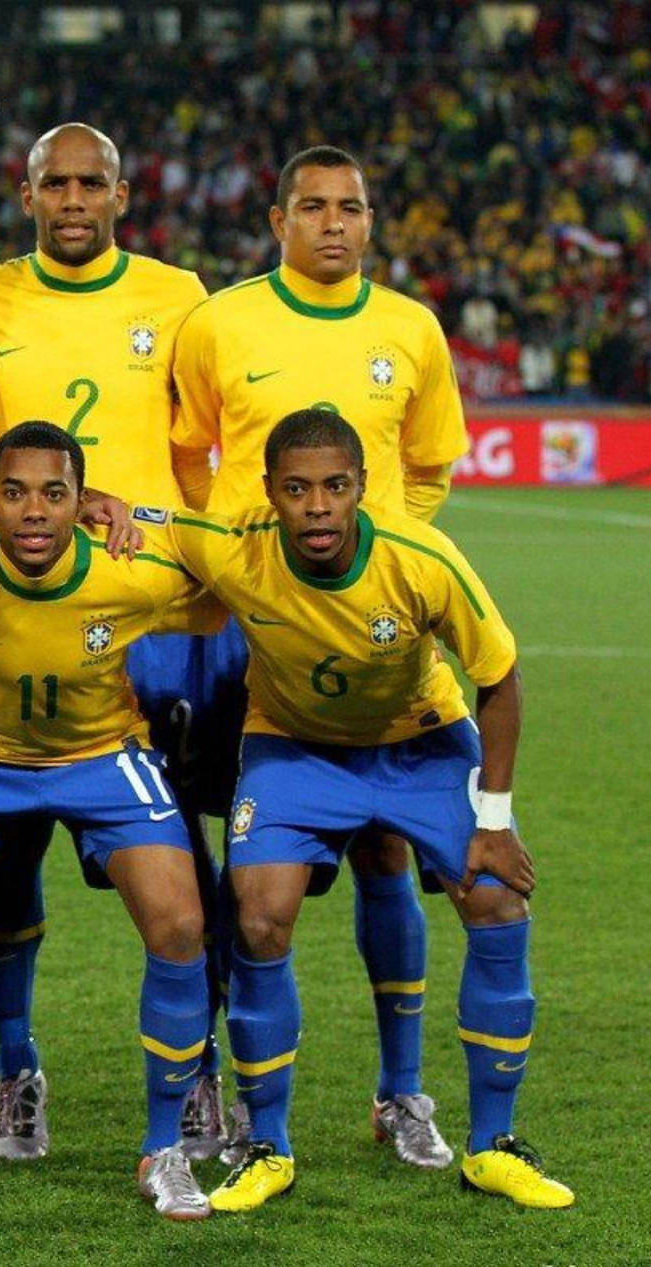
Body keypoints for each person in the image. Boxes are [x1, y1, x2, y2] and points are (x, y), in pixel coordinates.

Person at [157, 410, 570, 1213]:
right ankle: (267, 1144)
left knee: (496, 899)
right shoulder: (229, 544)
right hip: (294, 750)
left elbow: (501, 676)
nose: (318, 506)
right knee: (261, 915)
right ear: (269, 492)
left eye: (335, 487)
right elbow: (122, 516)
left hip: (417, 744)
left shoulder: (422, 558)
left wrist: (493, 817)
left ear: (362, 489)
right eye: (298, 488)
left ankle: (492, 1144)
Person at [170, 145, 472, 1168]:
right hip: (252, 626)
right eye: (313, 207)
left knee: (386, 844)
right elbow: (189, 455)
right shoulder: (222, 321)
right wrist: (255, 571)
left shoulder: (411, 329)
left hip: (374, 628)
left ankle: (401, 1093)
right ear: (277, 219)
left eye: (350, 207)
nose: (332, 223)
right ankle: (224, 1076)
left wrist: (382, 562)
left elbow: (427, 470)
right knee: (241, 856)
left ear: (370, 221)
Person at [0, 122, 223, 1163]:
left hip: (149, 617)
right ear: (26, 195)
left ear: (120, 194)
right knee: (10, 853)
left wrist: (202, 573)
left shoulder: (177, 294)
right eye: (53, 182)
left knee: (180, 858)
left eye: (90, 182)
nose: (72, 198)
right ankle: (18, 1071)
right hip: (17, 612)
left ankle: (197, 1076)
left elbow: (198, 449)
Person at [0, 422, 220, 1216]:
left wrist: (138, 513)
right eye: (12, 493)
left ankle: (164, 1148)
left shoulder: (130, 572)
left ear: (81, 502)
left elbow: (225, 568)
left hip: (102, 756)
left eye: (55, 494)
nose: (33, 513)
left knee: (181, 924)